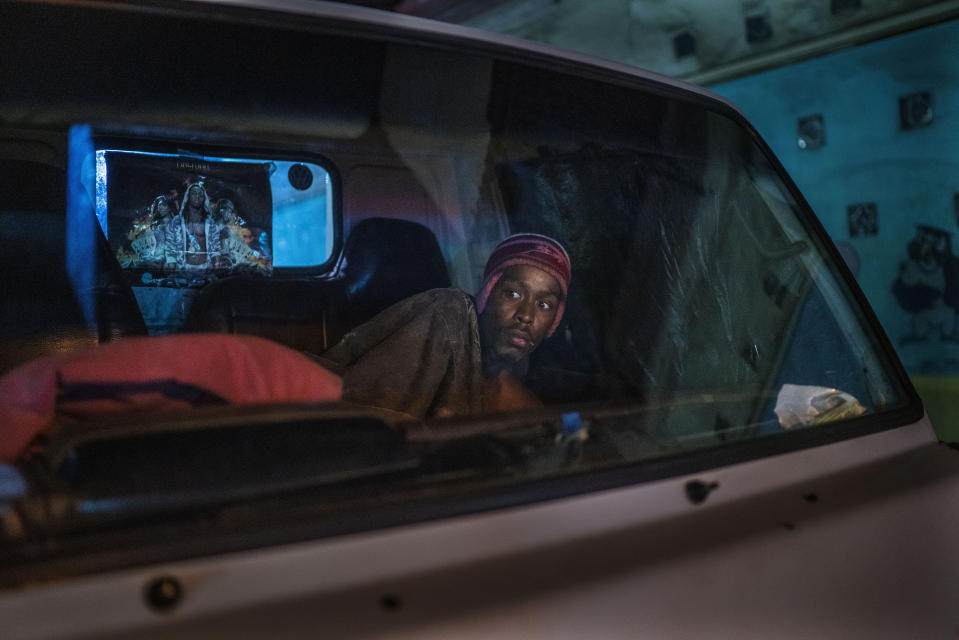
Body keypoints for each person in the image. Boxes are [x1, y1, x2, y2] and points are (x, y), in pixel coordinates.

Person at [317, 233, 571, 419]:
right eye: (512, 294)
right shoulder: (447, 312)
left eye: (545, 305)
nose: (526, 315)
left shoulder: (526, 407)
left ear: (554, 322)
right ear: (487, 294)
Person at [165, 182, 225, 271]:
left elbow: (215, 248)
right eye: (194, 193)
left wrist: (216, 270)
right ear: (188, 197)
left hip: (205, 268)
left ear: (204, 198)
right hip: (182, 268)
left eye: (200, 194)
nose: (197, 197)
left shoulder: (210, 222)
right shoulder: (177, 221)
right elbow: (170, 247)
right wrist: (172, 272)